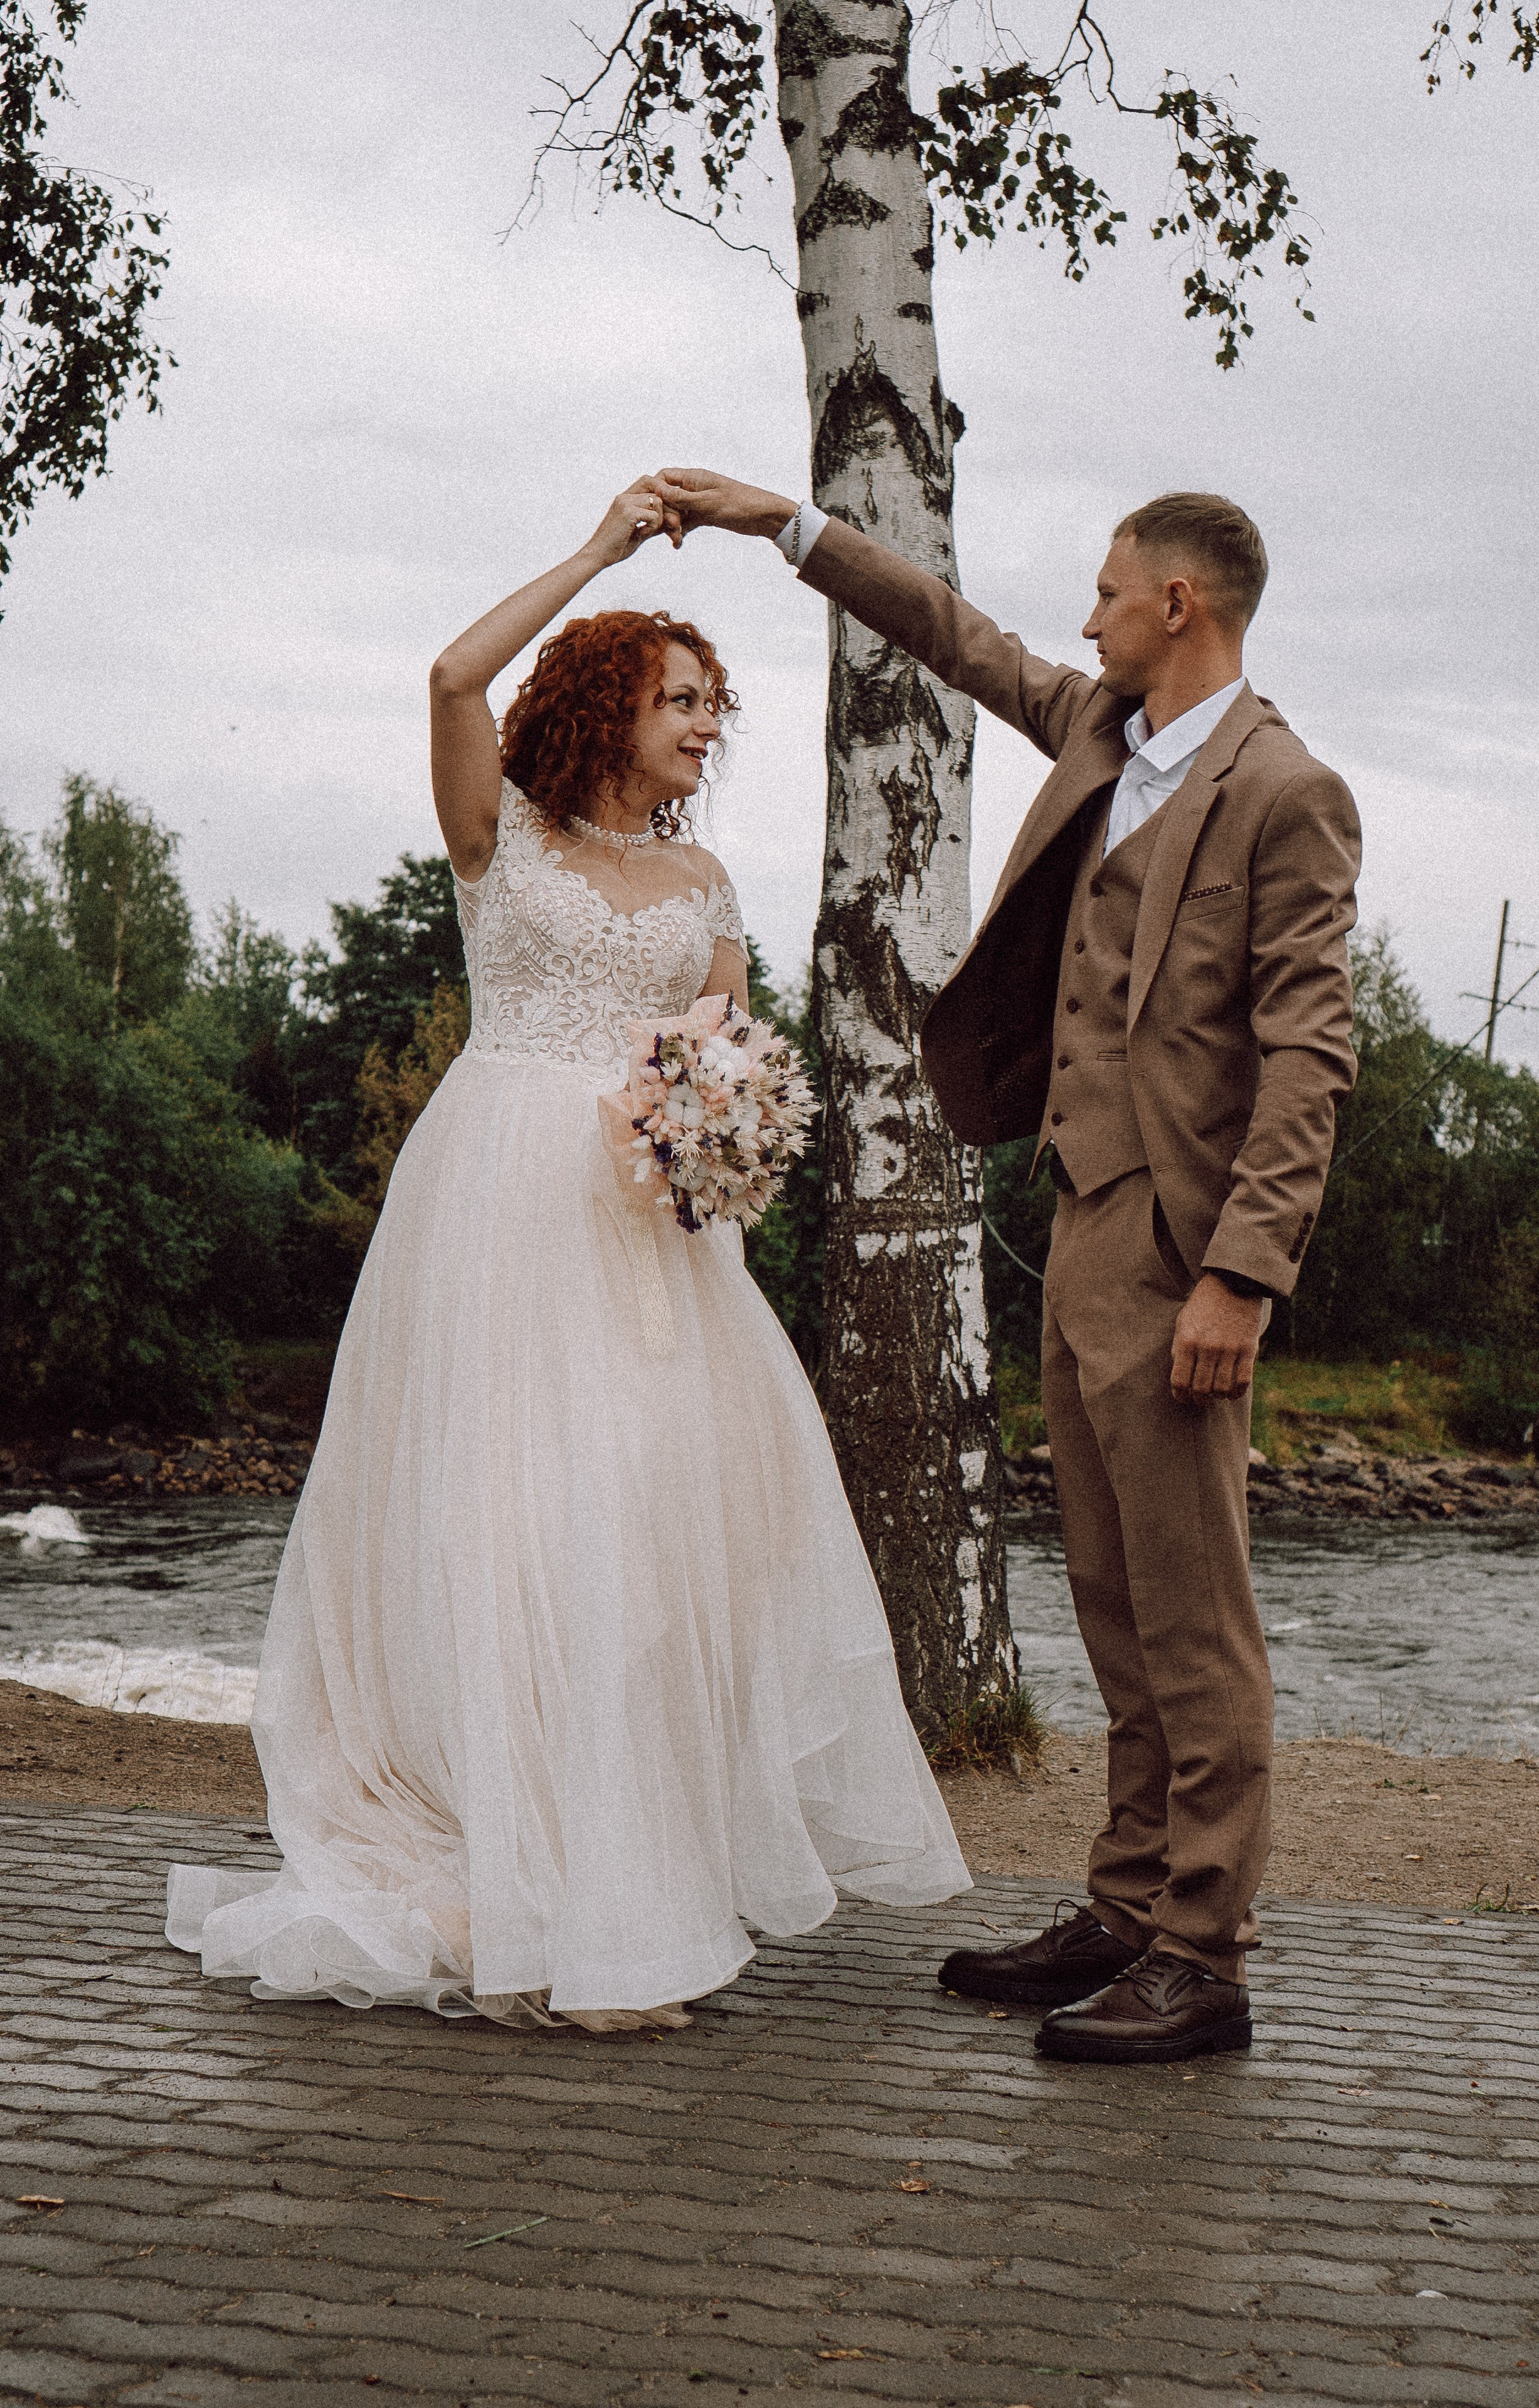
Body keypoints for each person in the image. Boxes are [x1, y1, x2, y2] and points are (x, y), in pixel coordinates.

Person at [166, 479, 970, 2032]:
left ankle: (628, 1888)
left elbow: (726, 1049)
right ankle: (536, 1890)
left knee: (652, 1547)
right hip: (497, 1211)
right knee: (517, 1533)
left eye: (715, 706)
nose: (707, 728)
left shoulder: (704, 885)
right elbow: (451, 677)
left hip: (649, 1232)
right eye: (682, 700)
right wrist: (604, 550)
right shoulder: (500, 838)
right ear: (608, 705)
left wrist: (726, 1127)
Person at [651, 467, 1361, 2064]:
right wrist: (784, 526)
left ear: (1177, 602)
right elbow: (956, 638)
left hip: (1183, 1250)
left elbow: (1309, 1059)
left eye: (1108, 592)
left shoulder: (1282, 790)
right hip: (1080, 1217)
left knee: (1195, 1617)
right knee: (1113, 1599)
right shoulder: (1104, 732)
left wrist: (1241, 1277)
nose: (1086, 620)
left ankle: (1202, 1956)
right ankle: (1125, 1908)